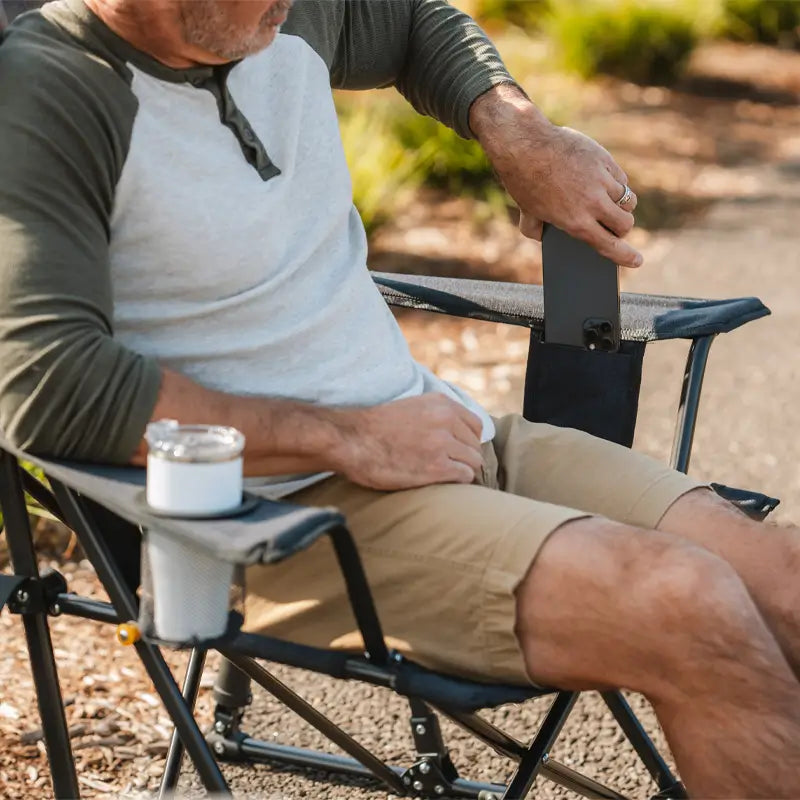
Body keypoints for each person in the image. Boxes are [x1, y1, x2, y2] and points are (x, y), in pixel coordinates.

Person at [0, 2, 798, 795]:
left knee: (784, 582)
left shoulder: (276, 17)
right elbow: (45, 382)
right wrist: (347, 438)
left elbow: (415, 23)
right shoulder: (54, 89)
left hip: (439, 430)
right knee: (688, 606)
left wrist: (515, 125)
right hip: (281, 519)